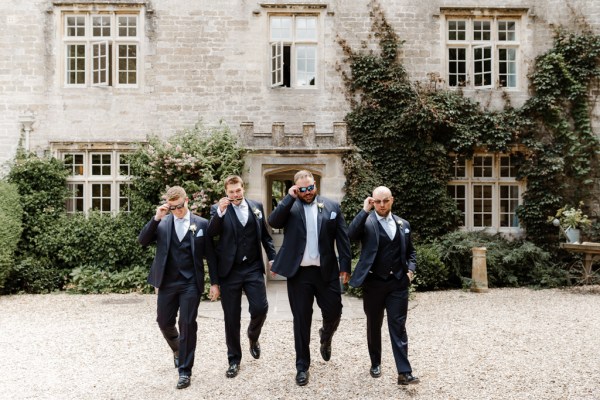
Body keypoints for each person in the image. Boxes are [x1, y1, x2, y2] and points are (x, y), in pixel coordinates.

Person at [268, 170, 351, 386]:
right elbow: (274, 221)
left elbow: (343, 239)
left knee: (335, 310)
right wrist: (289, 197)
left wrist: (345, 267)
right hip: (300, 274)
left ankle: (326, 335)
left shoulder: (332, 207)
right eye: (302, 189)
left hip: (326, 272)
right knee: (301, 321)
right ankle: (302, 366)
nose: (307, 192)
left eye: (310, 187)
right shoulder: (291, 206)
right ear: (297, 188)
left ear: (315, 185)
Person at [138, 186, 219, 390]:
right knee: (164, 322)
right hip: (167, 281)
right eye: (172, 207)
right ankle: (177, 349)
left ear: (187, 201)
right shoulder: (163, 223)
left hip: (191, 282)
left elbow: (211, 257)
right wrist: (156, 218)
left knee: (187, 323)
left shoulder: (201, 224)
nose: (177, 211)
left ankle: (185, 371)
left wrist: (215, 283)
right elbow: (143, 241)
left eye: (180, 206)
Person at [347, 186, 419, 385]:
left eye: (385, 201)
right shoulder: (367, 221)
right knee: (374, 324)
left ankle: (404, 372)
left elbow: (411, 253)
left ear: (392, 200)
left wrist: (410, 271)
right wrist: (364, 210)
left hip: (398, 283)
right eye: (377, 201)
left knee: (398, 326)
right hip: (373, 282)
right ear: (372, 201)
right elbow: (350, 235)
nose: (381, 205)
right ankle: (375, 362)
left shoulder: (403, 224)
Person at [207, 175, 276, 378]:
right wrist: (220, 212)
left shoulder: (256, 206)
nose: (235, 195)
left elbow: (265, 235)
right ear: (226, 193)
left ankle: (253, 336)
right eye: (231, 192)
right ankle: (234, 360)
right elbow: (211, 233)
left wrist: (272, 258)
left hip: (253, 267)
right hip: (229, 271)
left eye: (238, 191)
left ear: (243, 189)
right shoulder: (218, 209)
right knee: (231, 318)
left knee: (261, 308)